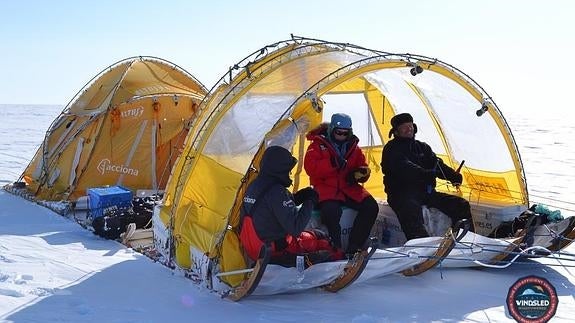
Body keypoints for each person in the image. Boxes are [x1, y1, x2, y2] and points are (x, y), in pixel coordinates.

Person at [239, 145, 343, 267]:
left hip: (257, 246)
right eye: (288, 170)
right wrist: (310, 201)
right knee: (325, 249)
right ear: (280, 169)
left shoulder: (255, 185)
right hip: (276, 251)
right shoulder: (276, 191)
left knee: (317, 236)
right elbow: (296, 228)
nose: (289, 173)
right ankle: (339, 266)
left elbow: (274, 207)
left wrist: (299, 197)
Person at [381, 112, 474, 240]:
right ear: (396, 131)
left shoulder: (423, 147)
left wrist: (453, 176)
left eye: (411, 126)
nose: (409, 129)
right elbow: (405, 167)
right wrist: (426, 174)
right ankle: (422, 248)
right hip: (401, 195)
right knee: (410, 210)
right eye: (404, 127)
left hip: (426, 193)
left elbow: (437, 164)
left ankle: (465, 239)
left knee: (461, 204)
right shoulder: (391, 149)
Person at [304, 113, 378, 255]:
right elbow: (310, 168)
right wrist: (331, 163)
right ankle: (335, 250)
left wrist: (361, 173)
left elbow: (362, 165)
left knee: (371, 206)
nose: (342, 136)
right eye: (339, 132)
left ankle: (354, 247)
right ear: (332, 129)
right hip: (326, 189)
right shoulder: (317, 146)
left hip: (348, 188)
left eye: (346, 133)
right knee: (331, 212)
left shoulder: (353, 147)